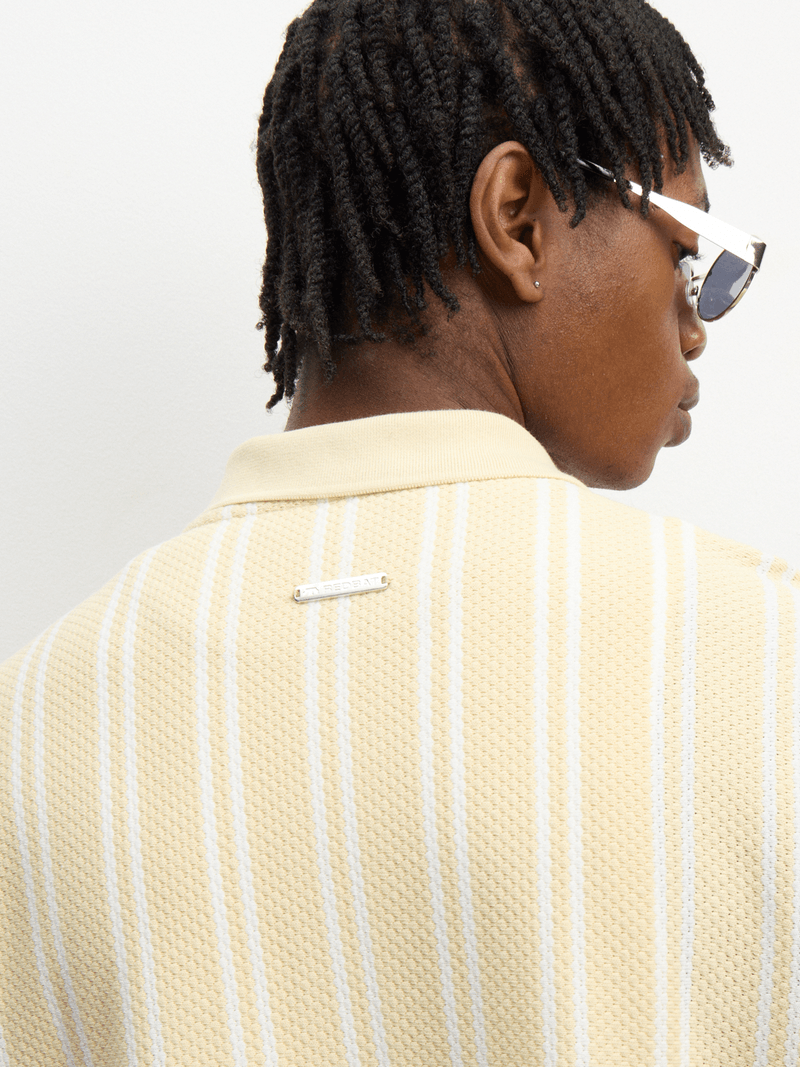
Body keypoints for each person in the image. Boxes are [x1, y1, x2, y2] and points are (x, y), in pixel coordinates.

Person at [1, 0, 796, 1065]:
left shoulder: (32, 727)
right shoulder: (763, 663)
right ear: (517, 218)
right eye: (691, 249)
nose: (697, 323)